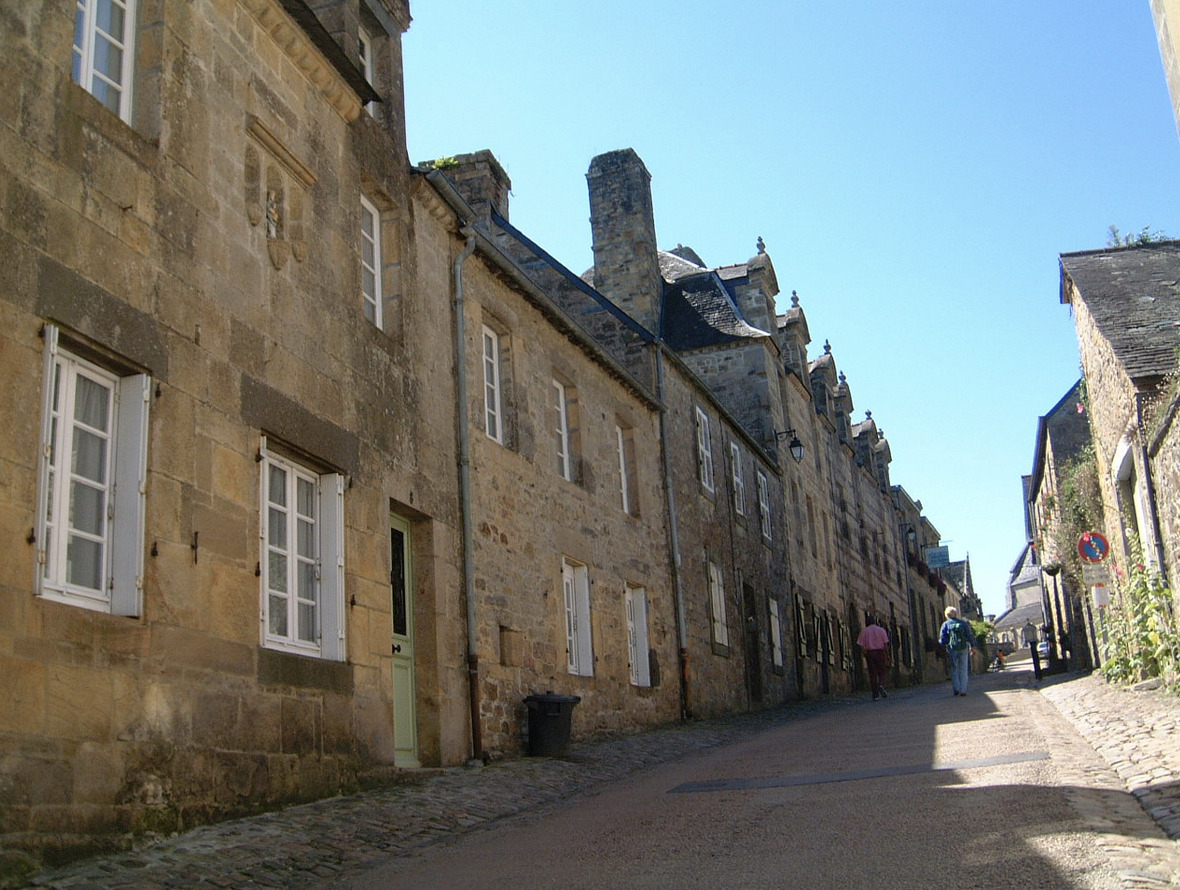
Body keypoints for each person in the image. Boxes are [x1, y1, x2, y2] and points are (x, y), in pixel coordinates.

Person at [939, 606, 977, 696]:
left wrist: (944, 645)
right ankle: (963, 690)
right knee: (963, 668)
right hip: (963, 647)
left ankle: (956, 688)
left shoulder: (946, 624)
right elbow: (969, 635)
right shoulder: (963, 623)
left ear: (946, 615)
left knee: (954, 668)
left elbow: (942, 638)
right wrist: (972, 646)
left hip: (952, 648)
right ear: (956, 614)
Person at [856, 616, 891, 700]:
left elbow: (860, 645)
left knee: (873, 673)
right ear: (875, 621)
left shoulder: (864, 631)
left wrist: (864, 653)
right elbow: (885, 644)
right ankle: (881, 685)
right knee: (882, 671)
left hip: (870, 653)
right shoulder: (881, 630)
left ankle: (875, 695)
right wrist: (887, 655)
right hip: (880, 652)